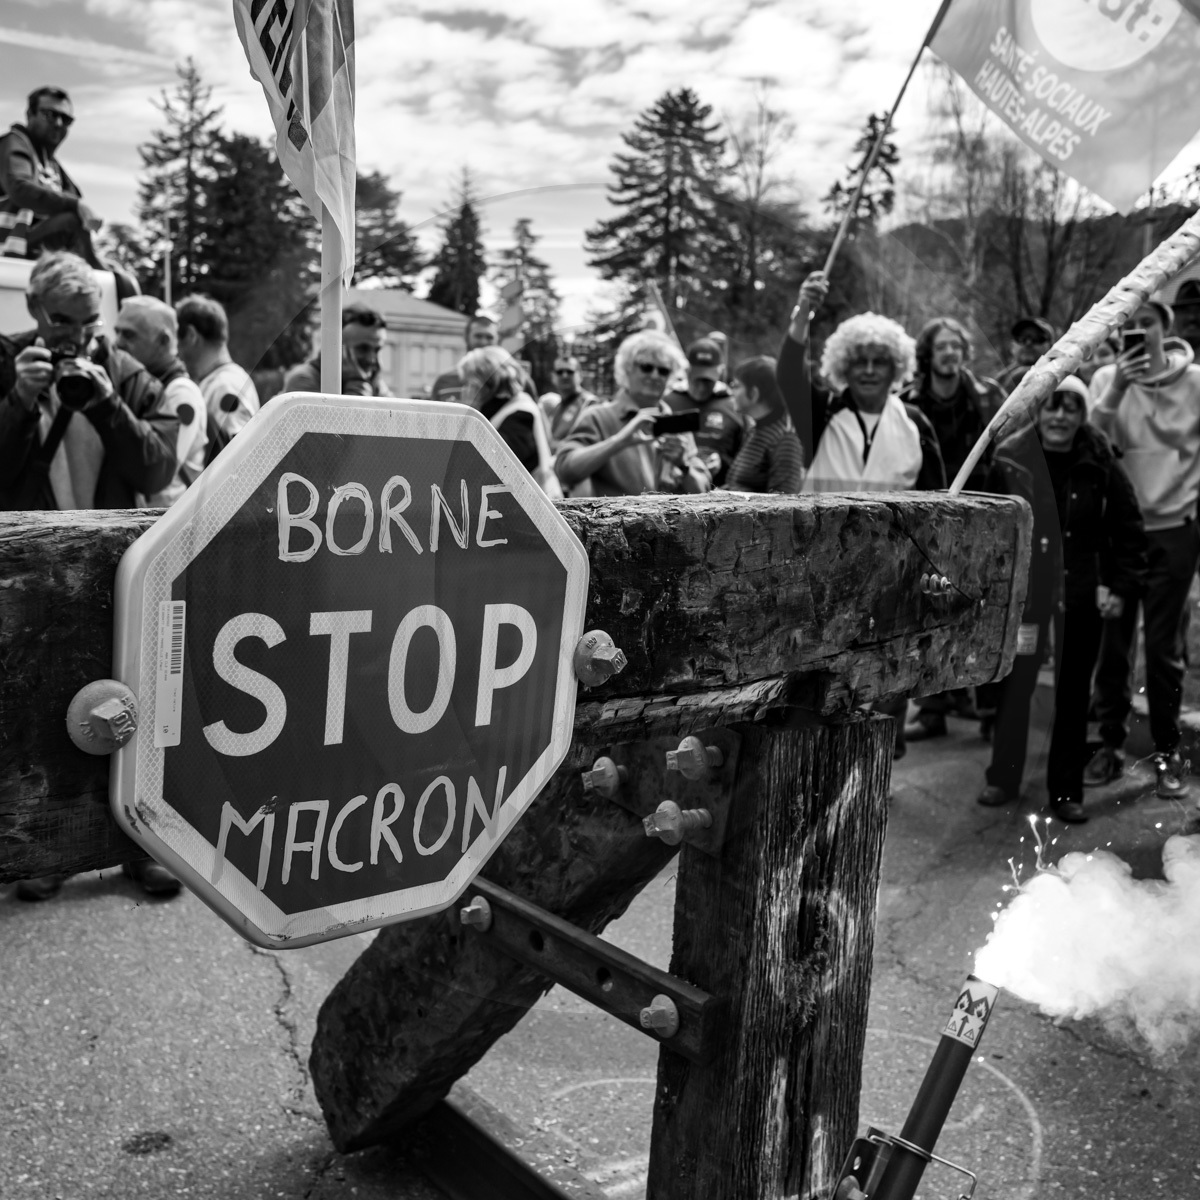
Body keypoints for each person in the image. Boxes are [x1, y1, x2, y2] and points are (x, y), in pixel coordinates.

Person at [0, 250, 181, 898]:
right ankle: (47, 850)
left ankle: (138, 845)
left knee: (135, 707)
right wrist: (21, 400)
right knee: (42, 711)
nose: (75, 336)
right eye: (61, 321)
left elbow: (158, 468)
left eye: (87, 322)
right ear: (33, 310)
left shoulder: (124, 373)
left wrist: (107, 403)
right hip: (34, 570)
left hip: (118, 569)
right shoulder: (6, 360)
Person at [776, 270, 946, 758]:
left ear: (897, 368)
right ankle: (814, 759)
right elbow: (789, 372)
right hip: (820, 567)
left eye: (880, 362)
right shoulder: (821, 413)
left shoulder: (915, 423)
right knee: (820, 678)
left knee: (888, 673)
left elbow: (941, 508)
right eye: (861, 361)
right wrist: (803, 312)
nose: (870, 370)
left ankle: (879, 764)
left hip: (893, 573)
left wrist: (932, 568)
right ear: (845, 366)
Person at [977, 377, 1146, 823]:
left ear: (1083, 414)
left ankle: (1066, 789)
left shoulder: (1100, 460)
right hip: (1024, 595)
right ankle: (1003, 777)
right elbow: (989, 531)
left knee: (1073, 692)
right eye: (1052, 405)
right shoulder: (1010, 458)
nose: (1060, 416)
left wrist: (1120, 585)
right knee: (1016, 687)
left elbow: (1127, 528)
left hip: (1080, 591)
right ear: (1039, 410)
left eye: (1072, 407)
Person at [1083, 296, 1200, 797]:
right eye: (1128, 325)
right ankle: (1109, 743)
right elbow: (1093, 442)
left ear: (1164, 328)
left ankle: (1168, 749)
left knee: (1163, 648)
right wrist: (1120, 388)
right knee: (1113, 644)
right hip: (1121, 534)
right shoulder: (1107, 380)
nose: (1138, 332)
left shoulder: (1195, 382)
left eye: (1147, 324)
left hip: (1176, 527)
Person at [900, 316, 1003, 741]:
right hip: (929, 517)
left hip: (981, 514)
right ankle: (932, 708)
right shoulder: (909, 400)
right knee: (930, 604)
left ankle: (988, 707)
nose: (950, 353)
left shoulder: (987, 396)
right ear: (928, 353)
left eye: (956, 345)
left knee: (981, 604)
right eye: (941, 346)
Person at [0, 88, 137, 299]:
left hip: (28, 250)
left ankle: (97, 273)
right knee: (71, 221)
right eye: (50, 114)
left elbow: (74, 197)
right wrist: (76, 206)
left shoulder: (50, 164)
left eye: (66, 119)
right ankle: (102, 286)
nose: (58, 123)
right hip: (8, 249)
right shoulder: (13, 144)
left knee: (76, 223)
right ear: (30, 115)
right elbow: (19, 188)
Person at [556, 330, 708, 497]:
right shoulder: (598, 417)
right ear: (627, 369)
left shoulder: (677, 425)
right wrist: (618, 442)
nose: (655, 375)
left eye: (663, 370)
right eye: (646, 367)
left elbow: (704, 492)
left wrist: (683, 465)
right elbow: (564, 471)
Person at [114, 296, 207, 507]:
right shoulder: (141, 384)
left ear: (163, 341)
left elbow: (160, 473)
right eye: (116, 331)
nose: (118, 342)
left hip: (167, 525)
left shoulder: (179, 393)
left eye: (129, 334)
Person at [459, 345, 560, 497]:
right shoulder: (501, 410)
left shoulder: (520, 415)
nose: (466, 390)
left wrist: (467, 415)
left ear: (487, 382)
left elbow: (481, 467)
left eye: (470, 383)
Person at [175, 293, 259, 461]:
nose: (176, 350)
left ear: (191, 335)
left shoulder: (224, 386)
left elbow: (237, 460)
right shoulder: (225, 381)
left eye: (177, 338)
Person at [661, 336, 744, 486]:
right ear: (687, 371)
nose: (701, 387)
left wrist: (723, 463)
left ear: (720, 372)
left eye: (708, 381)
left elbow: (748, 460)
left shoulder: (734, 406)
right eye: (697, 379)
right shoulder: (666, 402)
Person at [722, 355, 804, 493]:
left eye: (736, 386)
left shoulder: (785, 440)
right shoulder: (755, 430)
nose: (732, 392)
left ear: (754, 394)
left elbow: (783, 504)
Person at [282, 302, 391, 397]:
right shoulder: (303, 380)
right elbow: (349, 420)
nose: (371, 359)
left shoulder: (373, 381)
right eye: (362, 348)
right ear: (335, 347)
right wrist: (357, 385)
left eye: (377, 350)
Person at [429, 315, 498, 404]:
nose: (483, 342)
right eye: (478, 336)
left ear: (497, 340)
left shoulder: (505, 382)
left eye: (489, 337)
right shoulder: (444, 381)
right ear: (466, 337)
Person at [539, 354, 598, 446]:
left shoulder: (590, 404)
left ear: (580, 375)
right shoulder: (556, 407)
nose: (564, 375)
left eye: (570, 371)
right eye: (559, 372)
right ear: (553, 377)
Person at [995, 316, 1055, 396]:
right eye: (1021, 338)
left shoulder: (1061, 377)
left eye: (1037, 338)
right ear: (1012, 346)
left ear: (1051, 346)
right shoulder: (1000, 379)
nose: (1028, 343)